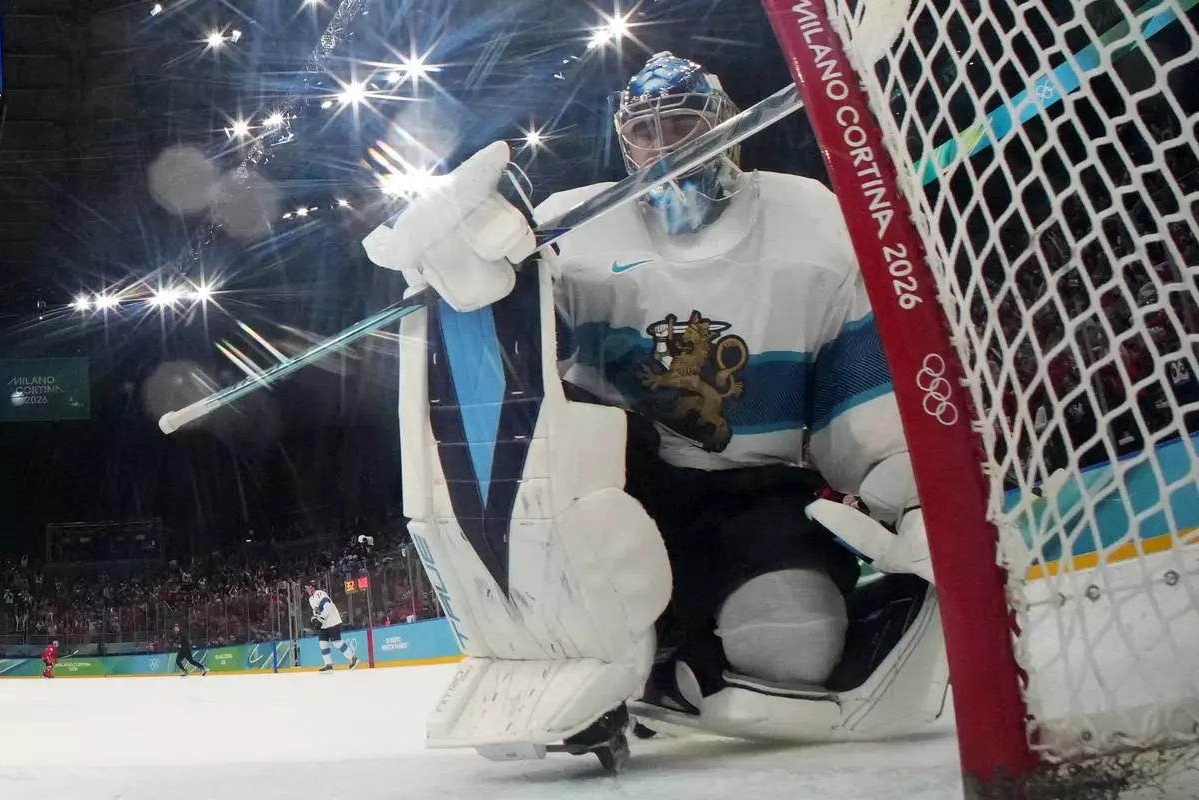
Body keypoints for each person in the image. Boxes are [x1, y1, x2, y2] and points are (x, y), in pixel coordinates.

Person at [365, 51, 944, 761]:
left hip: (757, 491)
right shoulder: (574, 225)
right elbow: (528, 358)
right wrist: (472, 280)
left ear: (724, 126)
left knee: (792, 649)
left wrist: (907, 490)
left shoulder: (810, 221)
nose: (664, 145)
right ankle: (628, 662)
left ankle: (670, 664)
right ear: (626, 141)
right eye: (646, 131)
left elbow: (852, 381)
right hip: (624, 487)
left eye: (682, 123)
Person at [305, 581, 358, 672]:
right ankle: (328, 665)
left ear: (312, 587)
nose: (306, 590)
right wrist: (315, 618)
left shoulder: (320, 593)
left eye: (307, 588)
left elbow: (327, 606)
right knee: (323, 643)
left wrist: (321, 617)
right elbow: (316, 611)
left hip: (332, 620)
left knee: (336, 642)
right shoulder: (311, 599)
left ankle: (353, 658)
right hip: (324, 624)